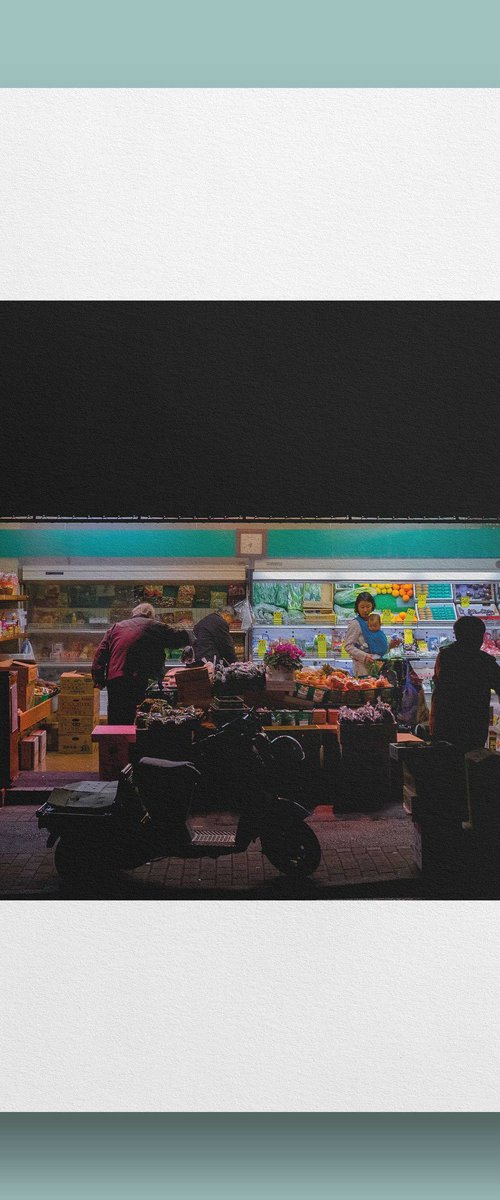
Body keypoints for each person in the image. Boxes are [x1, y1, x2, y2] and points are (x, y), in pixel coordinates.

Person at [92, 602, 194, 724]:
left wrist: (99, 679)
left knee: (116, 717)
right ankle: (135, 742)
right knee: (138, 717)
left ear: (134, 614)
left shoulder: (116, 627)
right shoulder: (153, 625)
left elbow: (100, 653)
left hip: (115, 679)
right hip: (137, 678)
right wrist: (192, 639)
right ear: (151, 615)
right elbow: (179, 637)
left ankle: (117, 741)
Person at [430, 615, 500, 753]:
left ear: (456, 635)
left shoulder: (445, 657)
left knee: (446, 763)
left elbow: (440, 682)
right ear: (480, 637)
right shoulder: (485, 662)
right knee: (472, 763)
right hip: (474, 724)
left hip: (445, 721)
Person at [344, 591, 400, 677]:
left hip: (377, 665)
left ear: (372, 606)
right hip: (362, 668)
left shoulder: (373, 621)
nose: (365, 610)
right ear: (357, 607)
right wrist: (365, 656)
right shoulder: (355, 623)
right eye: (362, 607)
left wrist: (389, 646)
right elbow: (348, 646)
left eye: (368, 606)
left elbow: (375, 645)